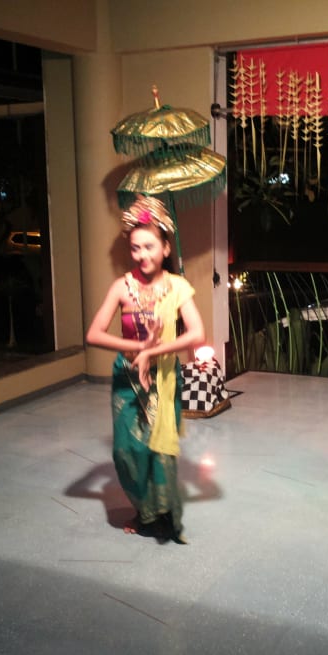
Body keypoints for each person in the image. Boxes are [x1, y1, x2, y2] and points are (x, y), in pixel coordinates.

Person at [85, 195, 205, 543]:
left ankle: (156, 516)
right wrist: (138, 348)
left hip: (163, 376)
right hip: (127, 377)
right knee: (126, 451)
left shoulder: (178, 287)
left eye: (150, 246)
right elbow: (94, 334)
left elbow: (196, 333)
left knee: (159, 450)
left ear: (166, 248)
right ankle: (144, 506)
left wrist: (155, 349)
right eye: (135, 248)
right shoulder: (122, 287)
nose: (142, 255)